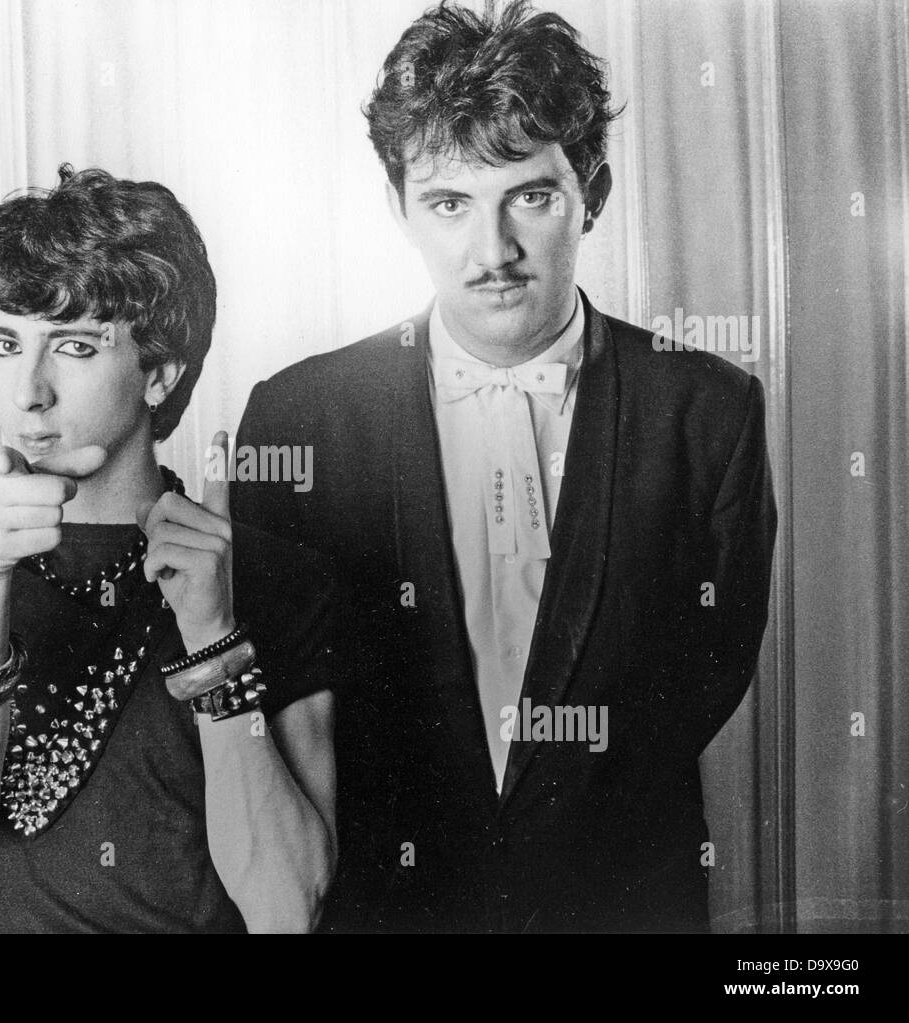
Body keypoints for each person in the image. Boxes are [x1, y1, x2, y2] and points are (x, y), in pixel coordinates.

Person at [232, 0, 777, 932]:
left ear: (591, 194)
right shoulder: (297, 420)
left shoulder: (709, 411)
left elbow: (706, 673)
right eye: (451, 202)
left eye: (529, 194)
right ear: (400, 207)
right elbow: (290, 703)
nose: (493, 251)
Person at [0, 165, 339, 933]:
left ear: (158, 371)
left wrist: (213, 637)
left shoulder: (280, 580)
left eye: (74, 346)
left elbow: (288, 906)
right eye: (3, 342)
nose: (29, 389)